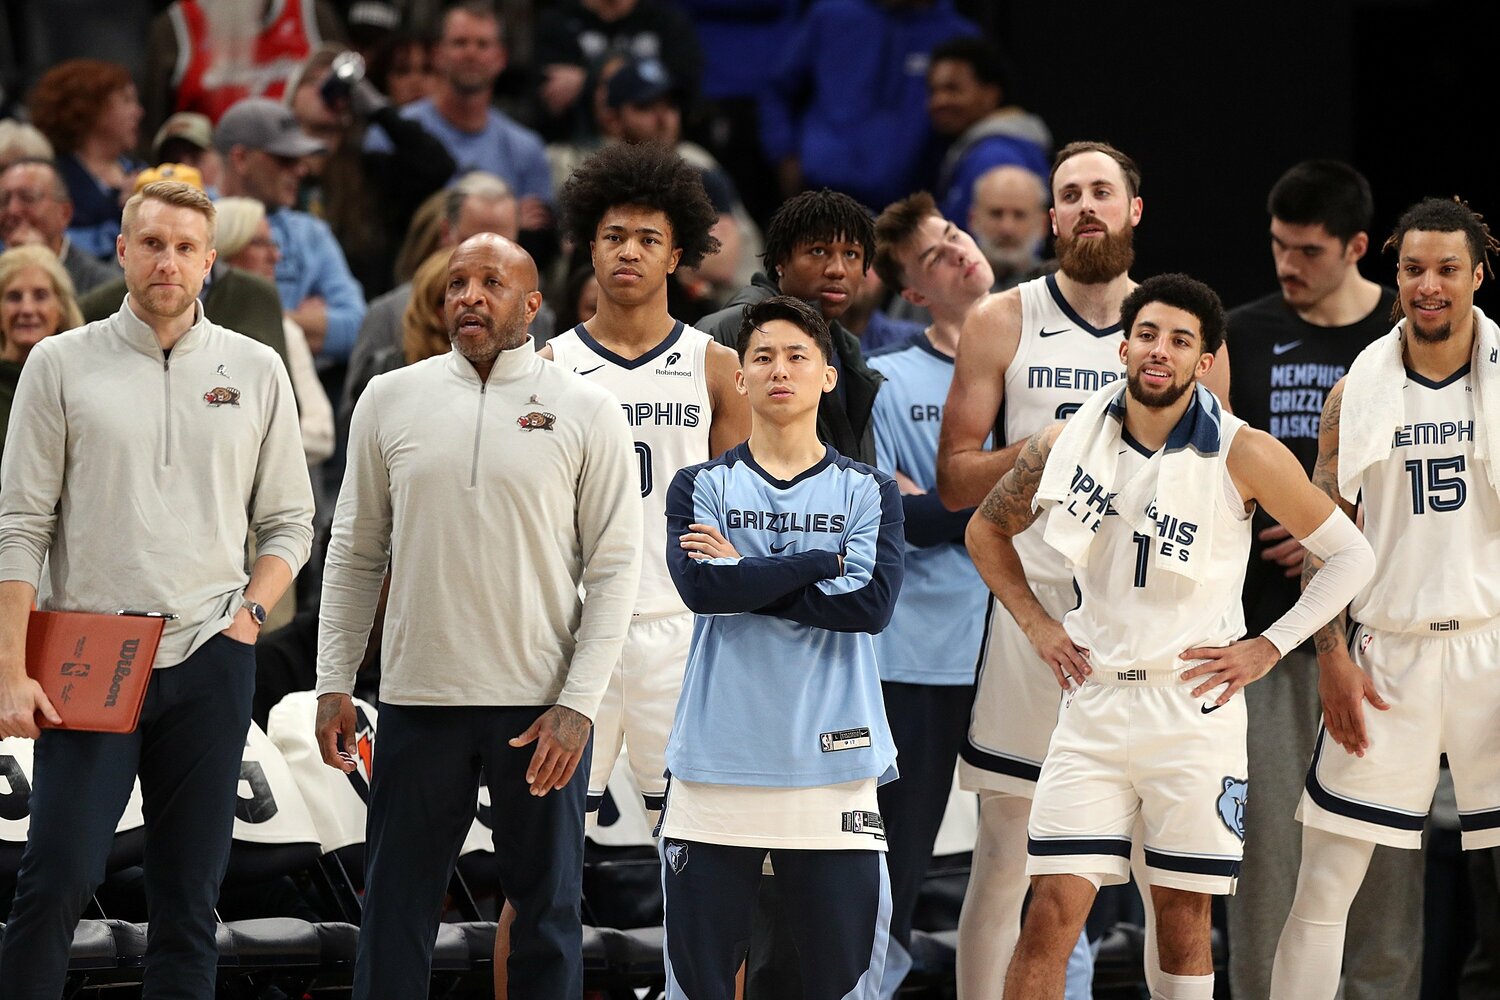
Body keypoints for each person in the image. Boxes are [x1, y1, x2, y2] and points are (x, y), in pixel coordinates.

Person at [969, 272, 1373, 999]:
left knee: (1182, 922)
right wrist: (1035, 622)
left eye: (1181, 340)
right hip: (1091, 705)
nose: (1161, 350)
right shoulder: (1067, 439)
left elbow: (1350, 556)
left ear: (1206, 360)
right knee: (1048, 917)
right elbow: (985, 527)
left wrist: (1268, 645)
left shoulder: (1245, 452)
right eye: (1149, 335)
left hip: (1192, 711)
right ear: (1124, 347)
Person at [0, 180, 315, 998]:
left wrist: (249, 616)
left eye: (184, 247)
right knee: (56, 882)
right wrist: (9, 667)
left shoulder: (257, 366)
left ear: (210, 262)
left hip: (213, 655)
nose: (167, 260)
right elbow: (20, 529)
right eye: (152, 243)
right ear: (122, 250)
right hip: (89, 658)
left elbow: (290, 523)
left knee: (189, 904)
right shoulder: (59, 363)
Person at [314, 232, 641, 999]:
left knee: (545, 915)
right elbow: (355, 551)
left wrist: (578, 705)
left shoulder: (586, 409)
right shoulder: (391, 397)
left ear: (531, 305)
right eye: (458, 282)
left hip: (538, 709)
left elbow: (618, 567)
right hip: (418, 700)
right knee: (394, 909)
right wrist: (335, 679)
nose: (468, 295)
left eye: (491, 282)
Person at [936, 140, 1227, 996]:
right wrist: (1062, 449)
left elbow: (1226, 480)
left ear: (1135, 210)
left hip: (1151, 626)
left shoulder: (1180, 324)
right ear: (1052, 218)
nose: (1088, 206)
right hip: (1041, 623)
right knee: (1006, 860)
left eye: (1104, 191)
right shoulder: (1004, 318)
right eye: (1071, 195)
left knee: (1160, 873)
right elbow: (955, 478)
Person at [1269, 197, 1500, 998]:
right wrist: (1329, 656)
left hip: (1490, 647)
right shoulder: (1355, 392)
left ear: (1477, 274)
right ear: (1392, 274)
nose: (1427, 285)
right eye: (1412, 269)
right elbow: (1326, 542)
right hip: (1389, 654)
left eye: (1445, 269)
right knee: (1326, 881)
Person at [660, 293, 905, 999]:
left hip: (836, 768)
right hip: (715, 764)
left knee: (842, 984)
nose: (779, 369)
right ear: (739, 378)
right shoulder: (699, 484)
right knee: (699, 987)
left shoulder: (870, 490)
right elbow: (703, 592)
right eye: (762, 356)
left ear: (827, 375)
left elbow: (870, 606)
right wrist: (821, 560)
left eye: (798, 356)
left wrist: (745, 570)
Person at [1225, 160, 1418, 1000]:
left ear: (1358, 249)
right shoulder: (1245, 331)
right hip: (1267, 632)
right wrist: (1263, 508)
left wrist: (1341, 530)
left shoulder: (1406, 342)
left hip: (1383, 637)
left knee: (1379, 866)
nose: (1287, 266)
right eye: (1277, 246)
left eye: (1307, 250)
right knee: (1268, 854)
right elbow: (1203, 466)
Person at [545, 140, 750, 824]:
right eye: (613, 236)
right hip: (573, 632)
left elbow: (743, 510)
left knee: (700, 855)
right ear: (590, 248)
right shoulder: (548, 367)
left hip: (679, 628)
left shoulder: (716, 366)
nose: (628, 251)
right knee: (540, 860)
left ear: (675, 254)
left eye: (647, 238)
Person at [865, 190, 994, 997]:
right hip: (918, 653)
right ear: (914, 293)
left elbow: (944, 505)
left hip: (1027, 641)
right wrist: (1013, 487)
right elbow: (901, 518)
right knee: (897, 862)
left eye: (954, 236)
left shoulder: (1032, 365)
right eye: (933, 258)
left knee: (1045, 852)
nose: (957, 253)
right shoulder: (884, 378)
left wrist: (954, 495)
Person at [698, 188, 885, 465]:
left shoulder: (846, 348)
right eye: (818, 251)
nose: (837, 269)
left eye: (852, 254)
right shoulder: (727, 330)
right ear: (781, 261)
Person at [758, 0, 976, 208]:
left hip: (906, 206)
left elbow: (975, 116)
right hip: (818, 193)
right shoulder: (830, 16)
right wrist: (784, 154)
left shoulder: (957, 35)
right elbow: (778, 90)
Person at [364, 3, 554, 234]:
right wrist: (506, 218)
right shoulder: (392, 133)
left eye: (482, 44)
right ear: (438, 55)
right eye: (460, 43)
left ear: (501, 58)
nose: (471, 53)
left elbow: (539, 232)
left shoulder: (527, 149)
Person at [216, 97, 367, 366]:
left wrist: (272, 321)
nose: (301, 170)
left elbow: (356, 326)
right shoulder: (193, 220)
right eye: (284, 159)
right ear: (240, 159)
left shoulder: (310, 232)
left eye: (299, 159)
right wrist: (303, 320)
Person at [215, 196, 335, 471]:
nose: (275, 255)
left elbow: (321, 433)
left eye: (274, 243)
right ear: (222, 252)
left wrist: (237, 447)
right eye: (259, 243)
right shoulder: (188, 331)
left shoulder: (287, 332)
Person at [926, 36, 1050, 233]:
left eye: (952, 89)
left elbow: (1011, 248)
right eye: (934, 91)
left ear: (990, 94)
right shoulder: (979, 151)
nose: (938, 101)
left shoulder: (996, 157)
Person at [25, 59, 145, 260]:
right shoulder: (55, 179)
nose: (138, 112)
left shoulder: (143, 172)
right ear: (90, 108)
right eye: (126, 100)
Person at [0, 244, 83, 455]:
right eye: (14, 297)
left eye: (40, 296)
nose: (27, 309)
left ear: (61, 309)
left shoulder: (82, 387)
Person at [0, 158, 119, 295]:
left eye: (28, 198)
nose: (12, 210)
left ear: (64, 213)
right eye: (4, 200)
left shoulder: (103, 286)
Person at [969, 164, 1050, 290]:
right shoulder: (943, 293)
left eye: (1019, 215)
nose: (1007, 228)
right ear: (973, 219)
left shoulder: (1062, 294)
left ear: (1043, 225)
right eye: (996, 214)